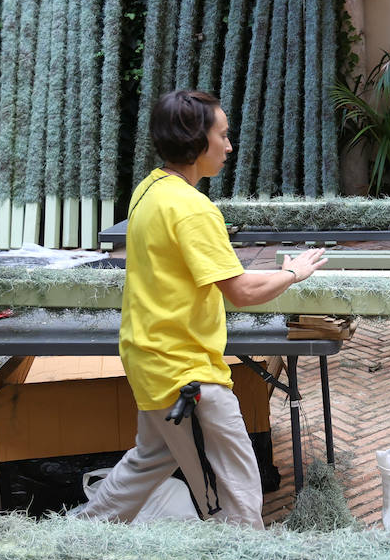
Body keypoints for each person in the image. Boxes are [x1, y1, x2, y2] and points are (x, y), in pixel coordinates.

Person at [74, 89, 326, 524]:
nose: (229, 146)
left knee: (148, 461)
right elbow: (242, 292)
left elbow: (201, 272)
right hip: (185, 372)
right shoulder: (193, 209)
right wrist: (293, 274)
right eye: (223, 136)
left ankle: (72, 537)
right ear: (195, 141)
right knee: (236, 487)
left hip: (150, 357)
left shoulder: (150, 190)